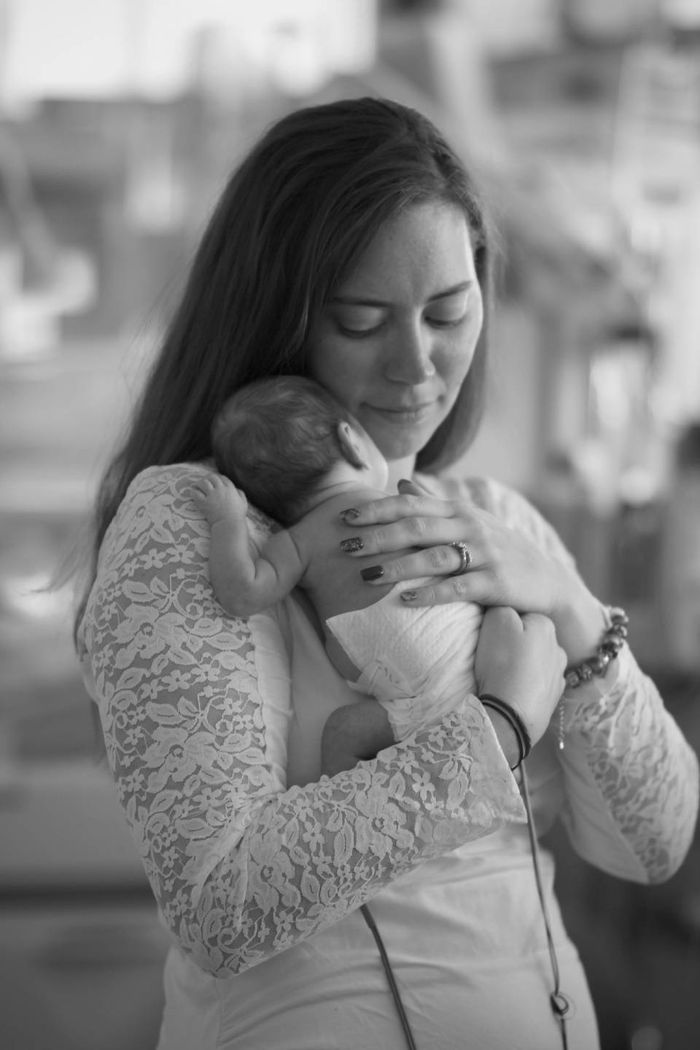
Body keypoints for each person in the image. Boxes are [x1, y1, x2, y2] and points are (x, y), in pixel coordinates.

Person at [75, 97, 698, 1050]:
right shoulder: (196, 522)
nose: (418, 364)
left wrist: (570, 606)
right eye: (363, 320)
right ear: (275, 319)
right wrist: (496, 731)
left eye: (449, 311)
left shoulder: (499, 523)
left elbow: (656, 844)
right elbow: (222, 904)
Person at [190, 373, 488, 762]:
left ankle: (370, 818)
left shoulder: (297, 543)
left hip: (407, 698)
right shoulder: (405, 504)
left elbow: (241, 594)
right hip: (476, 663)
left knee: (341, 736)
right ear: (351, 440)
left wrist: (226, 521)